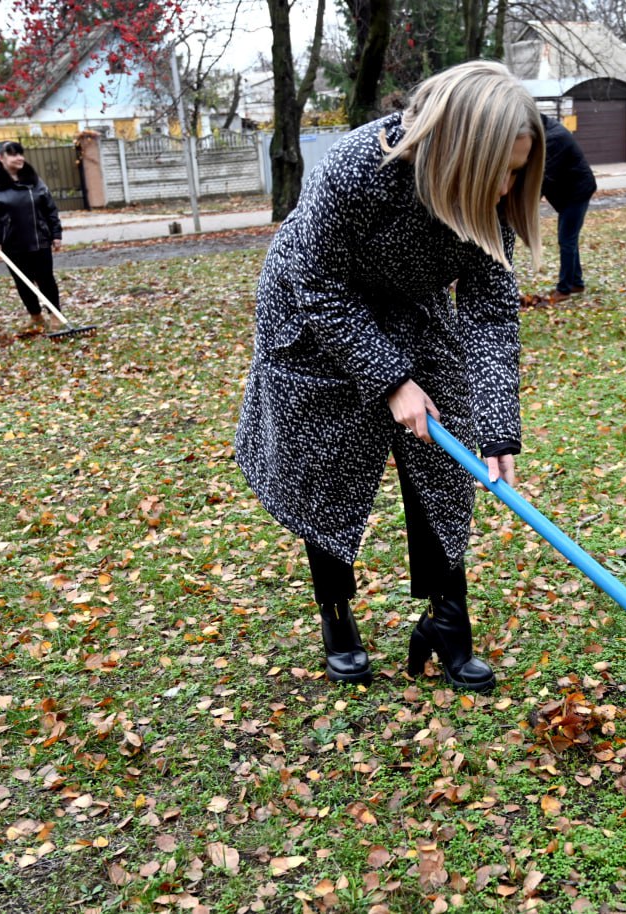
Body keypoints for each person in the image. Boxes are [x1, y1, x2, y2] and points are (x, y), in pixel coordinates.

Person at [233, 61, 544, 693]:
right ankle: (337, 617)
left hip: (410, 308)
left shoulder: (488, 202)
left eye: (519, 169)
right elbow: (315, 282)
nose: (511, 185)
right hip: (310, 313)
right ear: (464, 153)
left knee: (442, 463)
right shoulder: (356, 168)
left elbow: (487, 310)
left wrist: (498, 428)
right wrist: (391, 381)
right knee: (326, 465)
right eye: (505, 170)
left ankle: (447, 622)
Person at [0, 141, 64, 333]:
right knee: (23, 282)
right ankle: (36, 316)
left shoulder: (33, 179)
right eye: (14, 155)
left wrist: (56, 233)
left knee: (46, 280)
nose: (20, 158)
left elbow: (49, 207)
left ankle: (55, 316)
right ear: (1, 158)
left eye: (21, 154)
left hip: (39, 239)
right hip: (12, 244)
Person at [540, 114, 596, 302]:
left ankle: (564, 290)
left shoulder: (553, 138)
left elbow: (544, 176)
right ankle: (577, 283)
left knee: (566, 240)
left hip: (576, 192)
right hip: (569, 193)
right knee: (569, 239)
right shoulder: (546, 131)